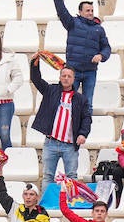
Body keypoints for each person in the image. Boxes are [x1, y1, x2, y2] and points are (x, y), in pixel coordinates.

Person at [30, 62, 92, 198]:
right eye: (63, 75)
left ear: (74, 79)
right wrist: (34, 65)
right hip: (51, 142)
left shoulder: (81, 99)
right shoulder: (50, 90)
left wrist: (83, 134)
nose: (66, 78)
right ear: (60, 77)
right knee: (48, 176)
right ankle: (47, 202)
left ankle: (72, 203)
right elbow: (36, 80)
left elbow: (86, 118)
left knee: (71, 175)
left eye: (69, 76)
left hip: (70, 145)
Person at [54, 0, 110, 99]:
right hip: (73, 71)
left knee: (88, 103)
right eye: (87, 10)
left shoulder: (99, 29)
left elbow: (106, 47)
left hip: (90, 71)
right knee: (67, 101)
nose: (90, 13)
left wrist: (101, 56)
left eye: (92, 11)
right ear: (80, 12)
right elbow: (62, 11)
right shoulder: (72, 23)